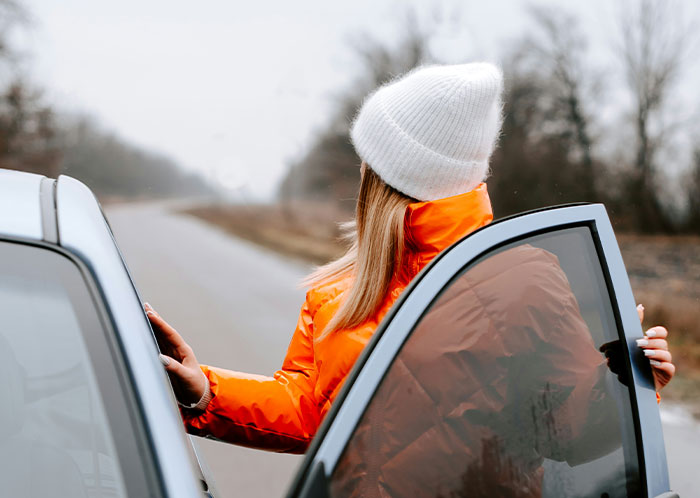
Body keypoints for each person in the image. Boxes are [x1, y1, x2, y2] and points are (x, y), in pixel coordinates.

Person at [145, 63, 675, 459]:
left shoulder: (522, 282)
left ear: (384, 175)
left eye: (366, 160)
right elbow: (311, 411)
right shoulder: (340, 291)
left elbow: (568, 433)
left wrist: (629, 382)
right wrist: (207, 392)